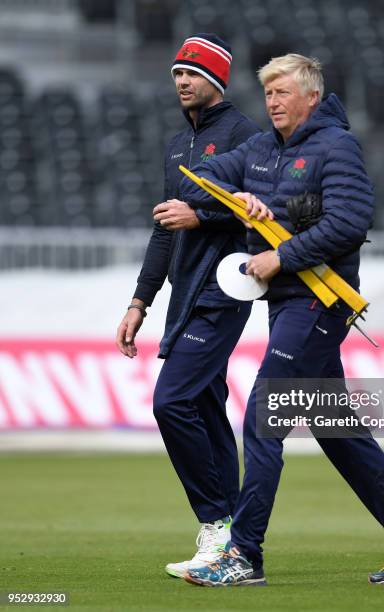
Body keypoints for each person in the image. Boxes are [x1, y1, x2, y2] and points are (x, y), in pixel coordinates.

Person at [179, 53, 384, 586]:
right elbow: (197, 178)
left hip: (319, 303)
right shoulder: (259, 149)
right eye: (268, 94)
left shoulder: (336, 146)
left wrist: (279, 256)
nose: (272, 102)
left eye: (282, 93)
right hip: (286, 304)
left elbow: (350, 222)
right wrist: (234, 196)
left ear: (310, 96)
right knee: (338, 430)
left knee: (263, 417)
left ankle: (243, 556)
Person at [115, 33, 260, 579]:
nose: (180, 81)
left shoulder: (246, 135)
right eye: (176, 72)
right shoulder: (178, 145)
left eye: (192, 73)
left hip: (224, 292)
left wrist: (202, 218)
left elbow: (261, 214)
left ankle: (215, 524)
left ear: (216, 80)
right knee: (202, 408)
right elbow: (162, 233)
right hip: (182, 296)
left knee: (170, 401)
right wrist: (139, 302)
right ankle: (236, 538)